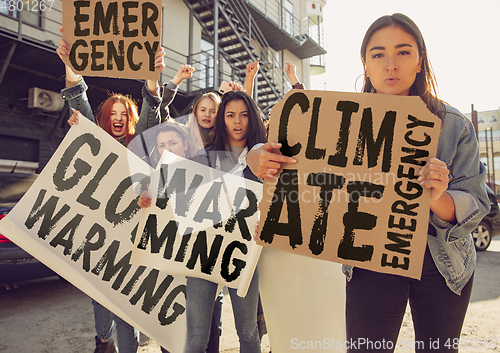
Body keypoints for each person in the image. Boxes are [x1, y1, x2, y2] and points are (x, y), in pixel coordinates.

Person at [246, 13, 489, 353]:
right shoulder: (340, 118)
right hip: (370, 258)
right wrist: (255, 155)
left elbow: (477, 203)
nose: (391, 64)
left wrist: (437, 197)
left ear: (420, 61)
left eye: (403, 52)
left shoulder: (453, 125)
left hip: (443, 262)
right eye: (378, 54)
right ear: (365, 63)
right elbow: (291, 156)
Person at [56, 27, 165, 353]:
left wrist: (151, 83)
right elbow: (79, 102)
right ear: (103, 118)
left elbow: (150, 112)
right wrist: (72, 71)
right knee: (101, 300)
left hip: (134, 238)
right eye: (112, 114)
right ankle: (104, 342)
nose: (118, 119)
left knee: (128, 302)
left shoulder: (140, 146)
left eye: (124, 114)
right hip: (99, 236)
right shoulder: (95, 141)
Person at [183, 90, 267, 353]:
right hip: (204, 252)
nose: (237, 121)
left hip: (244, 252)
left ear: (252, 119)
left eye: (243, 114)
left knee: (248, 332)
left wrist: (266, 221)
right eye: (230, 115)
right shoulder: (203, 157)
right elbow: (181, 199)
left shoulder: (265, 158)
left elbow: (274, 201)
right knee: (196, 337)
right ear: (223, 120)